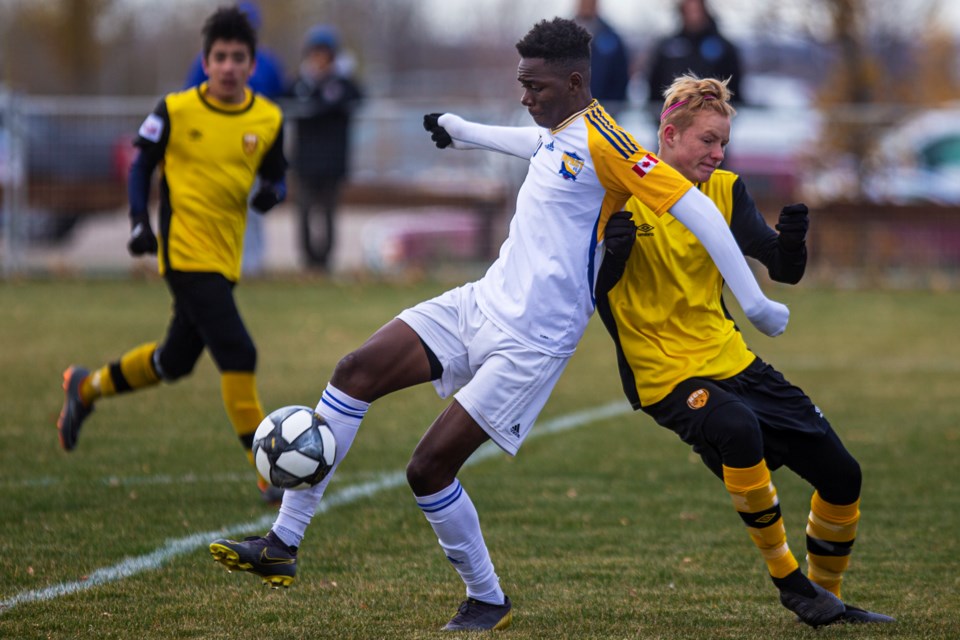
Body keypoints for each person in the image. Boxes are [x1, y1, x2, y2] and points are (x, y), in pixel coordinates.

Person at [208, 17, 788, 631]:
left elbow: (694, 204)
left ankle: (486, 598)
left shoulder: (611, 145)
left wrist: (753, 301)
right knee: (355, 371)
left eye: (533, 86)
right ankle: (283, 543)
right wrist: (460, 132)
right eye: (521, 83)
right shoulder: (562, 129)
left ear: (573, 81)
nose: (524, 96)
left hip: (532, 344)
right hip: (481, 304)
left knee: (427, 470)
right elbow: (532, 147)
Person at [593, 75, 894, 626]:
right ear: (669, 134)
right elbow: (593, 293)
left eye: (723, 142)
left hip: (733, 360)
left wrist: (794, 241)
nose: (718, 152)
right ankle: (790, 580)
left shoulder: (726, 191)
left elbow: (782, 269)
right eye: (708, 140)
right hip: (665, 375)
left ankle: (825, 602)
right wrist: (611, 256)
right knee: (736, 431)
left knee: (844, 476)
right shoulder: (620, 195)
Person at [57, 7, 288, 504]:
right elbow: (141, 166)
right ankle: (268, 471)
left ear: (252, 64)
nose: (228, 66)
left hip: (225, 259)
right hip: (183, 254)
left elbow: (276, 172)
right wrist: (139, 221)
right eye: (220, 57)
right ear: (205, 62)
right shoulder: (175, 109)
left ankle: (86, 386)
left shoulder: (268, 118)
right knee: (239, 351)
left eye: (238, 58)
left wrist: (274, 192)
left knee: (173, 361)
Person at [184, 1, 285, 277]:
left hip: (252, 147)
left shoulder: (266, 62)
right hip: (216, 147)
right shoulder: (210, 59)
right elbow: (190, 99)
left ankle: (251, 266)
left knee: (252, 208)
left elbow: (280, 101)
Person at [285, 24, 363, 271]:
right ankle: (308, 261)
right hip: (305, 161)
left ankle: (325, 261)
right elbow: (287, 101)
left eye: (324, 54)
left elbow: (355, 98)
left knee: (328, 213)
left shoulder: (342, 84)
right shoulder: (301, 84)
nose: (319, 59)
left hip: (332, 161)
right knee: (304, 212)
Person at [646, 0, 745, 110]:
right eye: (689, 10)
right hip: (675, 117)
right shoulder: (668, 47)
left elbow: (734, 86)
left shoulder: (723, 48)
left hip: (713, 115)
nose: (693, 15)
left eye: (696, 10)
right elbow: (655, 84)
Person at [573, 0, 630, 114]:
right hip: (566, 114)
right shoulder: (561, 35)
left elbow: (621, 75)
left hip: (603, 111)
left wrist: (612, 108)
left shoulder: (611, 37)